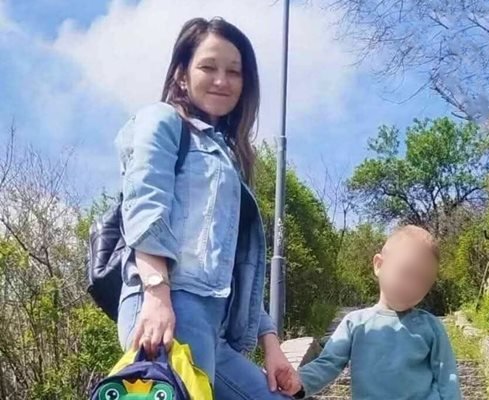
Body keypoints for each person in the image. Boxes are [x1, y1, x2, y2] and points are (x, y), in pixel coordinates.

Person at [115, 17, 296, 399]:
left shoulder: (229, 157)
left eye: (234, 71)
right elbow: (145, 205)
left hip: (215, 323)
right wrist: (157, 294)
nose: (221, 80)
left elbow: (238, 266)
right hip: (171, 302)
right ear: (182, 75)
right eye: (208, 67)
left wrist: (270, 342)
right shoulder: (163, 120)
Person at [286, 225, 462, 400]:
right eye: (406, 273)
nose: (412, 286)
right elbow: (328, 363)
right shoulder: (355, 323)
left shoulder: (431, 327)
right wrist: (299, 381)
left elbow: (447, 377)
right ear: (379, 265)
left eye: (423, 280)